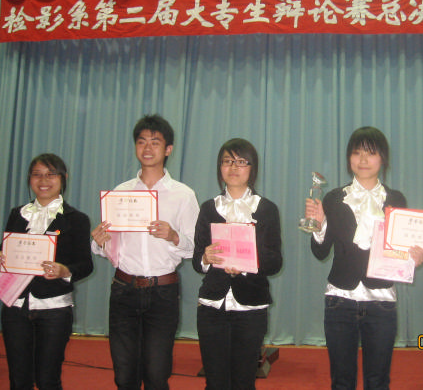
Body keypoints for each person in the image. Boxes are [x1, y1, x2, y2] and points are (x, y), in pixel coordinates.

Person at [305, 126, 423, 390]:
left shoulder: (396, 199)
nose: (362, 160)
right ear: (349, 158)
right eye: (356, 153)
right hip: (339, 299)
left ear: (383, 158)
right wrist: (319, 226)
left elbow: (400, 249)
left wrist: (412, 258)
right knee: (341, 381)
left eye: (370, 153)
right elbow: (320, 252)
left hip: (381, 301)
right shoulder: (334, 198)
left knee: (378, 381)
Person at [91, 114, 200, 390]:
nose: (147, 148)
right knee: (124, 374)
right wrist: (99, 241)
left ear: (168, 149)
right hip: (123, 289)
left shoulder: (183, 195)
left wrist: (174, 236)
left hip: (162, 291)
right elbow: (108, 246)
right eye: (141, 142)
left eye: (155, 142)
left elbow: (196, 249)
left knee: (156, 373)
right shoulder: (121, 192)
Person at [193, 138, 282, 390]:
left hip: (251, 306)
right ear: (219, 167)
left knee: (244, 382)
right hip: (212, 306)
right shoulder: (208, 208)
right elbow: (196, 260)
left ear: (252, 168)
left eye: (241, 162)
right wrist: (205, 258)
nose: (233, 167)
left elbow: (275, 262)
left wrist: (248, 262)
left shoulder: (266, 209)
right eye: (227, 161)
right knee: (215, 382)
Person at [1, 153, 93, 390]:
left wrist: (64, 270)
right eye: (37, 175)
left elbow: (85, 265)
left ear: (63, 178)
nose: (43, 180)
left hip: (54, 309)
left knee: (47, 380)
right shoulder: (17, 214)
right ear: (29, 179)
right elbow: (7, 252)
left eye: (51, 174)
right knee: (18, 380)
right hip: (15, 307)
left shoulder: (77, 219)